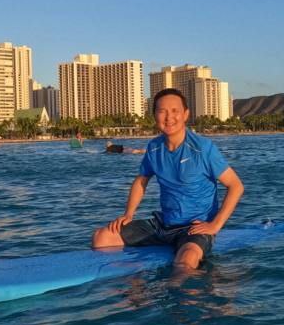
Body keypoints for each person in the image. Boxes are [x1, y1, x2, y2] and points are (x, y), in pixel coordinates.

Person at [92, 88, 244, 270]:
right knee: (101, 238)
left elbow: (235, 186)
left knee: (186, 260)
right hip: (164, 224)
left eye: (174, 111)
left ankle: (182, 282)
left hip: (194, 228)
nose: (169, 117)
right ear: (155, 116)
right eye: (162, 111)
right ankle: (134, 278)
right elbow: (141, 181)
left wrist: (215, 225)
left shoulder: (203, 148)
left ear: (185, 114)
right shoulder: (154, 147)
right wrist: (128, 214)